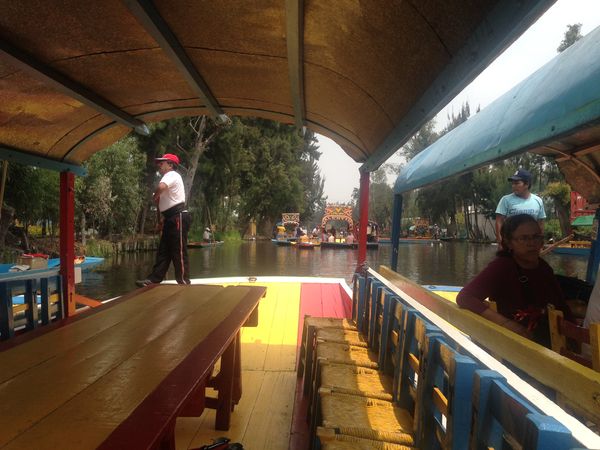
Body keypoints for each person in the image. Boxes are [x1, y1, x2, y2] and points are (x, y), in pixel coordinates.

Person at [457, 214, 572, 346]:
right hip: (510, 342)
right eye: (524, 238)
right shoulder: (502, 266)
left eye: (536, 237)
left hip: (543, 340)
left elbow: (562, 306)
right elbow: (465, 297)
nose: (532, 243)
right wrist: (506, 324)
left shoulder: (544, 268)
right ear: (508, 243)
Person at [136, 153, 191, 286]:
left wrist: (155, 196)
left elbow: (160, 188)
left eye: (162, 163)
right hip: (170, 218)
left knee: (178, 251)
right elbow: (164, 204)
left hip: (178, 216)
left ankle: (183, 282)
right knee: (164, 251)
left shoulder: (171, 174)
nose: (159, 165)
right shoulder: (169, 178)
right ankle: (154, 279)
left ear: (170, 165)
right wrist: (161, 221)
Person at [495, 168, 545, 247]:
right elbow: (499, 221)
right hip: (511, 245)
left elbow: (540, 224)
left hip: (531, 244)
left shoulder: (538, 201)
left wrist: (540, 243)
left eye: (517, 183)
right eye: (512, 183)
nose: (513, 186)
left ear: (526, 184)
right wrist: (500, 242)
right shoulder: (506, 200)